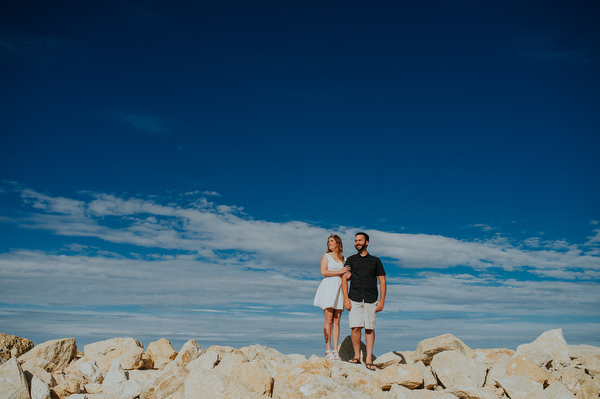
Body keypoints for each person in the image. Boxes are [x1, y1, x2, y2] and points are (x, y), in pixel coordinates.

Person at [341, 232, 386, 371]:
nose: (357, 243)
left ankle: (368, 359)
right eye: (355, 240)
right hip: (354, 298)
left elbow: (382, 281)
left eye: (360, 240)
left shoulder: (375, 261)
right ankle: (356, 356)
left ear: (366, 242)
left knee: (369, 328)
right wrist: (346, 300)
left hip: (371, 298)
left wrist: (382, 301)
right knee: (355, 327)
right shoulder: (350, 260)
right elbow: (344, 278)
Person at [313, 234, 351, 360]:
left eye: (332, 241)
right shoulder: (326, 256)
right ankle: (327, 349)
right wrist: (340, 272)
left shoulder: (344, 259)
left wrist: (347, 275)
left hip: (339, 289)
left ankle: (335, 350)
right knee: (328, 320)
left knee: (337, 320)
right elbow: (323, 272)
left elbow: (346, 274)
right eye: (328, 241)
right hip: (328, 288)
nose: (329, 243)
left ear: (338, 243)